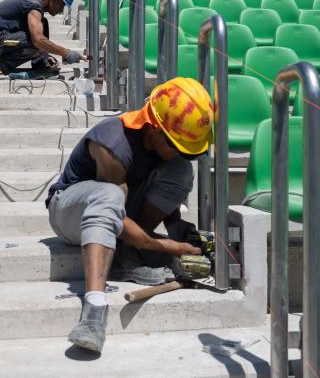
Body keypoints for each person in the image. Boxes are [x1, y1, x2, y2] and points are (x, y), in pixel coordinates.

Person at [46, 77, 214, 352]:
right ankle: (94, 312)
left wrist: (177, 227)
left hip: (112, 211)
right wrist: (165, 246)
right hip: (69, 213)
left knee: (181, 171)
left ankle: (125, 256)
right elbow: (117, 219)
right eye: (178, 146)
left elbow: (150, 186)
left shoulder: (161, 147)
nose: (180, 153)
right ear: (156, 129)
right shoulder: (113, 145)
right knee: (110, 195)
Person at [0, 0, 85, 78]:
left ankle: (41, 65)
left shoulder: (36, 8)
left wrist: (46, 57)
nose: (61, 10)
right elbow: (38, 40)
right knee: (36, 40)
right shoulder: (33, 5)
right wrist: (66, 52)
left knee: (43, 27)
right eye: (61, 4)